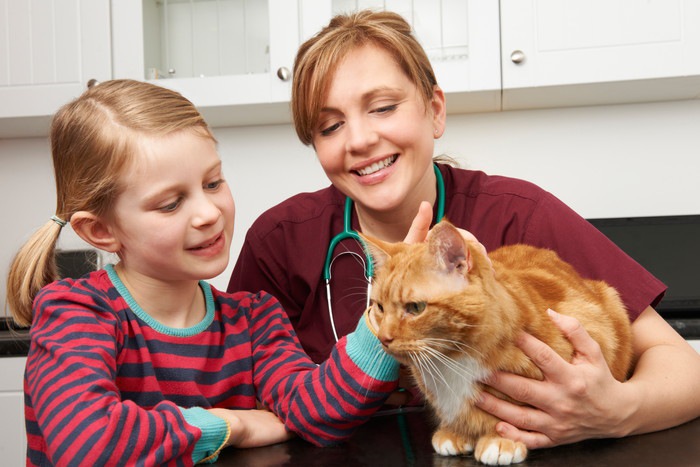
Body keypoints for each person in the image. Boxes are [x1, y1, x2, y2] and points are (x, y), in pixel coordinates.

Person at [228, 10, 700, 450]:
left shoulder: (521, 215)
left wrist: (618, 412)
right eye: (330, 127)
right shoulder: (280, 242)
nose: (359, 140)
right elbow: (234, 393)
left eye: (383, 107)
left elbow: (683, 368)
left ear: (434, 111)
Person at [5, 79, 400, 466]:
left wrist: (392, 308)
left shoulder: (254, 319)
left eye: (213, 183)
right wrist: (231, 425)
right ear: (101, 231)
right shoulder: (75, 312)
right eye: (171, 204)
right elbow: (88, 446)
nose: (209, 213)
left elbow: (316, 412)